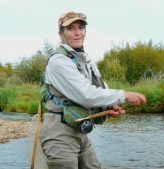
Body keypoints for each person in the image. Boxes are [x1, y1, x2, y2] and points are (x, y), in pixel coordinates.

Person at [39, 11, 146, 169]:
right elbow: (86, 94)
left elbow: (98, 87)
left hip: (79, 131)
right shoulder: (59, 61)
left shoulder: (86, 59)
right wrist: (124, 96)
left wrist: (109, 106)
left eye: (81, 28)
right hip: (58, 133)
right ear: (61, 34)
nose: (77, 33)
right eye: (71, 29)